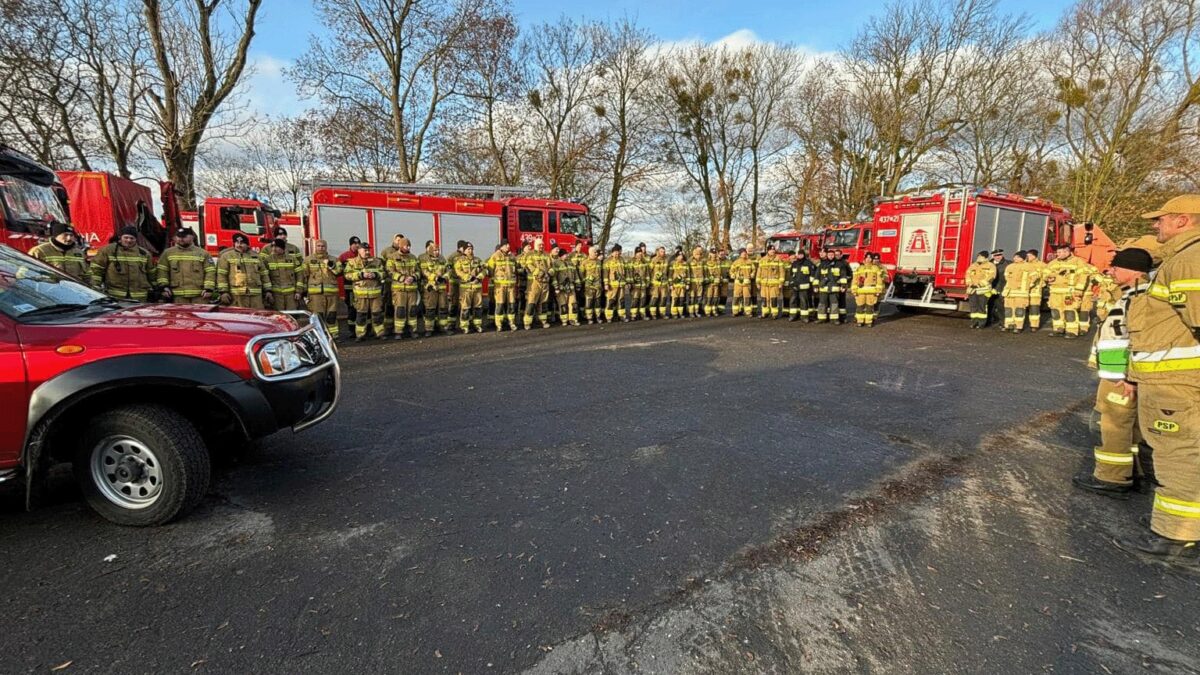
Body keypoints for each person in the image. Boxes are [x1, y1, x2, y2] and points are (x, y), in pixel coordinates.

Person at [1113, 196, 1200, 570]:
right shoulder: (1180, 259)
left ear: (1183, 220)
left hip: (1176, 386)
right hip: (1169, 381)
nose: (1155, 225)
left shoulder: (1189, 259)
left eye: (1160, 219)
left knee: (1178, 454)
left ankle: (1177, 538)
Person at [1074, 247, 1155, 498]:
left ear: (1131, 270)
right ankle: (1133, 473)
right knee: (1131, 425)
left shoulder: (1137, 297)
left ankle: (1112, 477)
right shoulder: (1138, 293)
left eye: (1116, 267)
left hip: (1119, 377)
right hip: (1125, 374)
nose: (1111, 271)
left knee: (1112, 424)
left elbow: (1133, 339)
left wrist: (1125, 376)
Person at [90, 226, 156, 301]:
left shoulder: (144, 254)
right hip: (115, 295)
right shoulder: (108, 250)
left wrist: (157, 289)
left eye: (132, 238)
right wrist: (95, 286)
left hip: (140, 297)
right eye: (126, 237)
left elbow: (152, 273)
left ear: (136, 239)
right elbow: (97, 269)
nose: (128, 240)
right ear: (120, 237)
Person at [156, 227, 214, 304]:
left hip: (200, 296)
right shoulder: (167, 253)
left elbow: (210, 272)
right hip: (177, 296)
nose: (181, 239)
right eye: (179, 236)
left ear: (192, 237)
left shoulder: (203, 253)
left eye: (184, 237)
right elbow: (162, 271)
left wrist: (208, 289)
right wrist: (163, 287)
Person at [1044, 242, 1089, 338]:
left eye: (1060, 252)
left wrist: (1079, 289)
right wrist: (1048, 278)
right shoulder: (1053, 263)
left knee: (1070, 311)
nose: (1057, 254)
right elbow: (1045, 274)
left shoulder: (1078, 262)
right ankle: (1058, 329)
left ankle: (1072, 331)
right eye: (1057, 252)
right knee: (1056, 311)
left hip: (1070, 292)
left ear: (1067, 252)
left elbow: (1083, 276)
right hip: (1055, 292)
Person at [216, 232, 273, 309]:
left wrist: (268, 291)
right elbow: (221, 275)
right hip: (236, 296)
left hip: (256, 297)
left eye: (242, 243)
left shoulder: (256, 257)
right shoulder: (226, 256)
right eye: (237, 242)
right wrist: (223, 292)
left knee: (256, 317)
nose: (239, 245)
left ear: (247, 244)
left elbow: (264, 275)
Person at [344, 243, 386, 340]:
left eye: (368, 250)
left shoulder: (376, 261)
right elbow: (347, 275)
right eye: (365, 250)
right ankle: (360, 335)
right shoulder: (352, 262)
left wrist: (375, 275)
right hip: (360, 295)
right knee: (361, 316)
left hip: (375, 294)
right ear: (359, 250)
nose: (367, 252)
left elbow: (383, 273)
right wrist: (361, 275)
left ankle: (379, 333)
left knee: (377, 315)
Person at [304, 239, 343, 339]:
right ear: (315, 247)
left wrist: (330, 265)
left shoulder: (334, 259)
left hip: (332, 294)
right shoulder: (308, 260)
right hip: (315, 294)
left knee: (332, 316)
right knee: (318, 317)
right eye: (318, 246)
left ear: (326, 247)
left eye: (323, 246)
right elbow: (304, 276)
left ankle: (334, 336)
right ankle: (319, 337)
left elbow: (339, 272)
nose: (321, 248)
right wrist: (304, 292)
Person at [385, 236, 421, 339]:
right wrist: (402, 278)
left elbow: (418, 271)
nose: (408, 248)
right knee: (400, 311)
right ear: (400, 246)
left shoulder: (413, 257)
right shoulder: (392, 257)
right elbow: (390, 272)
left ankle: (413, 330)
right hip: (399, 289)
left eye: (409, 246)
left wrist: (413, 277)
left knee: (412, 311)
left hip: (412, 289)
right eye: (406, 245)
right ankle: (398, 332)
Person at [453, 241, 487, 333]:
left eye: (471, 249)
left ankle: (477, 325)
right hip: (465, 289)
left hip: (477, 288)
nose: (470, 250)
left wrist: (479, 278)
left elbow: (485, 270)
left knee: (478, 307)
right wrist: (468, 277)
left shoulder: (478, 260)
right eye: (468, 249)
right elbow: (458, 271)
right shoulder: (459, 260)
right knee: (465, 308)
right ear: (464, 250)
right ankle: (464, 326)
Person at [418, 241, 451, 336]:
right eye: (435, 250)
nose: (437, 252)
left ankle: (443, 327)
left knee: (443, 308)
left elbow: (448, 270)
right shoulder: (425, 259)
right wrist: (435, 277)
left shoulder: (442, 258)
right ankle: (429, 329)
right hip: (431, 288)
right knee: (430, 309)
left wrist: (445, 277)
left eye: (438, 250)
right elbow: (424, 271)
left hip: (442, 288)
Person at [262, 238, 305, 310]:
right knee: (278, 316)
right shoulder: (267, 260)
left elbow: (300, 275)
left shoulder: (292, 259)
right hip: (276, 295)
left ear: (283, 248)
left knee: (292, 315)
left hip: (291, 295)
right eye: (272, 246)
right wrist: (268, 292)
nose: (273, 249)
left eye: (276, 246)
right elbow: (265, 277)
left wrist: (298, 291)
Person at [1001, 250, 1037, 333]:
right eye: (1015, 256)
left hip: (1021, 293)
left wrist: (1028, 285)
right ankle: (1008, 325)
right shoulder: (1010, 267)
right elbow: (1007, 278)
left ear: (1023, 258)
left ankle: (1018, 326)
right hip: (1009, 292)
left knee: (1019, 310)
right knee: (1008, 309)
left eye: (1018, 257)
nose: (1015, 258)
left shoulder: (1029, 266)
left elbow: (1035, 277)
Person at [521, 238, 553, 329]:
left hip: (545, 283)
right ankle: (527, 323)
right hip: (534, 283)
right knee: (531, 302)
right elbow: (528, 265)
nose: (541, 246)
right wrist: (538, 272)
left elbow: (551, 267)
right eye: (540, 245)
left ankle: (543, 321)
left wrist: (549, 273)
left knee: (544, 303)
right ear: (535, 245)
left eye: (542, 244)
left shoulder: (547, 255)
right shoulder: (530, 254)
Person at [487, 242, 519, 331]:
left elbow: (516, 269)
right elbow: (490, 269)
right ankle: (499, 324)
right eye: (506, 245)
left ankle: (512, 323)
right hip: (500, 286)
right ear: (502, 247)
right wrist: (494, 280)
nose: (508, 246)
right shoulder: (495, 256)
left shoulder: (512, 257)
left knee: (512, 305)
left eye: (509, 245)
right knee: (500, 305)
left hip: (511, 287)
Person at [851, 252, 886, 327]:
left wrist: (878, 291)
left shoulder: (876, 268)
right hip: (860, 291)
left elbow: (879, 280)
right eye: (867, 257)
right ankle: (860, 321)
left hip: (871, 291)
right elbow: (855, 280)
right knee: (860, 306)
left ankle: (869, 322)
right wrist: (854, 290)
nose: (868, 259)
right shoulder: (860, 268)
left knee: (870, 307)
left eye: (870, 258)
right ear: (865, 258)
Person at [964, 250, 996, 329]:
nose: (978, 258)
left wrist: (980, 284)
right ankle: (974, 322)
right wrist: (969, 283)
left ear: (985, 257)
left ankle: (981, 323)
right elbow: (967, 275)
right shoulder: (973, 265)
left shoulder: (990, 266)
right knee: (973, 306)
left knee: (982, 307)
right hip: (972, 289)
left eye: (980, 256)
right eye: (978, 256)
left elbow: (991, 277)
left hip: (983, 290)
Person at [756, 246, 787, 319]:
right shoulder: (762, 260)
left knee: (774, 299)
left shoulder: (778, 259)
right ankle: (765, 313)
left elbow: (782, 272)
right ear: (768, 251)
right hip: (764, 284)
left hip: (774, 284)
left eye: (773, 250)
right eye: (771, 250)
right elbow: (759, 272)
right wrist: (757, 282)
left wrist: (781, 283)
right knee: (764, 299)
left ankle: (774, 314)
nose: (772, 251)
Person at [787, 249, 816, 322]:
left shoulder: (809, 263)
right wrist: (792, 283)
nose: (800, 256)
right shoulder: (795, 263)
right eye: (799, 254)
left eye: (801, 254)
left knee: (804, 301)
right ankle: (793, 316)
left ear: (804, 255)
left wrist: (810, 283)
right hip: (795, 286)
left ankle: (804, 317)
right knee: (793, 301)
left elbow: (813, 274)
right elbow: (791, 274)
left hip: (804, 286)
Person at [339, 236, 362, 325]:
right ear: (350, 245)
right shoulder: (344, 256)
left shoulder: (363, 254)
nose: (356, 245)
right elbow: (339, 275)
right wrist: (342, 293)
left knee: (362, 308)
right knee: (352, 308)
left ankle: (362, 328)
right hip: (349, 289)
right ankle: (352, 329)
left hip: (362, 288)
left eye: (358, 244)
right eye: (354, 244)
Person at [604, 244, 629, 322]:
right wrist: (606, 284)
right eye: (615, 252)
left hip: (621, 284)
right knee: (611, 301)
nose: (617, 253)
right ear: (612, 252)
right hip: (612, 285)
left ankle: (622, 316)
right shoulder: (607, 261)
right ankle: (609, 317)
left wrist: (627, 282)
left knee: (621, 301)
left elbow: (626, 272)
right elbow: (605, 273)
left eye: (618, 252)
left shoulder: (622, 260)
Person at [580, 247, 604, 324]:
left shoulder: (599, 262)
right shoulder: (584, 262)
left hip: (598, 286)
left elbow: (602, 273)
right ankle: (589, 318)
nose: (596, 254)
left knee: (598, 302)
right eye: (595, 252)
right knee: (589, 302)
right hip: (589, 286)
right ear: (590, 253)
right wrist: (586, 280)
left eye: (596, 252)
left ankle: (598, 317)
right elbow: (581, 274)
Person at [730, 249, 756, 317]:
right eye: (742, 253)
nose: (744, 254)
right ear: (740, 254)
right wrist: (733, 275)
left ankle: (748, 312)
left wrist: (752, 275)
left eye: (745, 253)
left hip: (747, 283)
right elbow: (731, 271)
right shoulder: (736, 262)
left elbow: (754, 270)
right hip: (738, 282)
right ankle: (735, 312)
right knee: (736, 297)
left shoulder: (750, 262)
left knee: (747, 297)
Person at [1025, 249, 1047, 332]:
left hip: (1036, 290)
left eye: (1029, 255)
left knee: (1034, 307)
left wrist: (1042, 284)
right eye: (1027, 255)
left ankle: (1034, 325)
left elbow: (1046, 276)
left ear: (1034, 256)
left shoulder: (1042, 265)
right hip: (1024, 290)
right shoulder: (1025, 264)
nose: (1028, 257)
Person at [629, 246, 651, 320]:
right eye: (638, 253)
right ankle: (633, 315)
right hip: (635, 285)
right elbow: (629, 273)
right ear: (635, 253)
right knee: (635, 299)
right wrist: (631, 283)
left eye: (640, 252)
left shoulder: (645, 262)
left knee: (643, 299)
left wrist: (648, 282)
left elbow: (647, 273)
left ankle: (642, 314)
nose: (639, 254)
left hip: (643, 284)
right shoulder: (631, 261)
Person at [988, 249, 1009, 328]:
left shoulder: (1007, 264)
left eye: (999, 255)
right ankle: (988, 321)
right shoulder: (989, 264)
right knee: (989, 306)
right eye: (996, 255)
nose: (998, 257)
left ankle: (1003, 323)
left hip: (1001, 288)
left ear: (1002, 255)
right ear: (993, 256)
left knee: (1001, 307)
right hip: (990, 289)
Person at [669, 249, 691, 318]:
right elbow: (670, 275)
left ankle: (680, 313)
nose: (681, 257)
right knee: (675, 299)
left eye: (682, 255)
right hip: (675, 286)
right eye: (679, 256)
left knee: (681, 299)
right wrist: (670, 284)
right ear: (676, 257)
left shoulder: (685, 264)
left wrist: (688, 284)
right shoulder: (672, 264)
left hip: (682, 285)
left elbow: (688, 275)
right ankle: (674, 313)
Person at [704, 247, 723, 316]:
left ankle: (714, 310)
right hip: (710, 283)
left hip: (717, 283)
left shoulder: (718, 262)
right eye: (712, 253)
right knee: (709, 297)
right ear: (710, 254)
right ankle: (708, 311)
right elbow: (705, 273)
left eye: (715, 253)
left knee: (715, 297)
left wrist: (720, 279)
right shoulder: (707, 262)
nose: (714, 255)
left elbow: (719, 272)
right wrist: (709, 279)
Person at [718, 249, 732, 315]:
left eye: (723, 254)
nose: (722, 255)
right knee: (715, 296)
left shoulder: (729, 262)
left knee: (724, 295)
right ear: (718, 254)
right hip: (717, 281)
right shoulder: (716, 261)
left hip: (725, 281)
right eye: (721, 254)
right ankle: (714, 309)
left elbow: (731, 271)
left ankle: (721, 309)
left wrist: (729, 277)